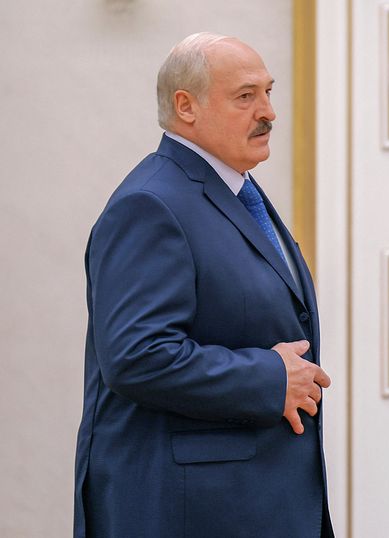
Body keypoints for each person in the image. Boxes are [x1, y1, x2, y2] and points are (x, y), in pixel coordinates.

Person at [73, 32, 333, 537]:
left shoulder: (236, 188)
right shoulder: (149, 205)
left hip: (255, 504)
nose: (268, 112)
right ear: (186, 107)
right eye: (245, 96)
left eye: (269, 92)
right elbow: (137, 356)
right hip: (190, 513)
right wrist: (270, 379)